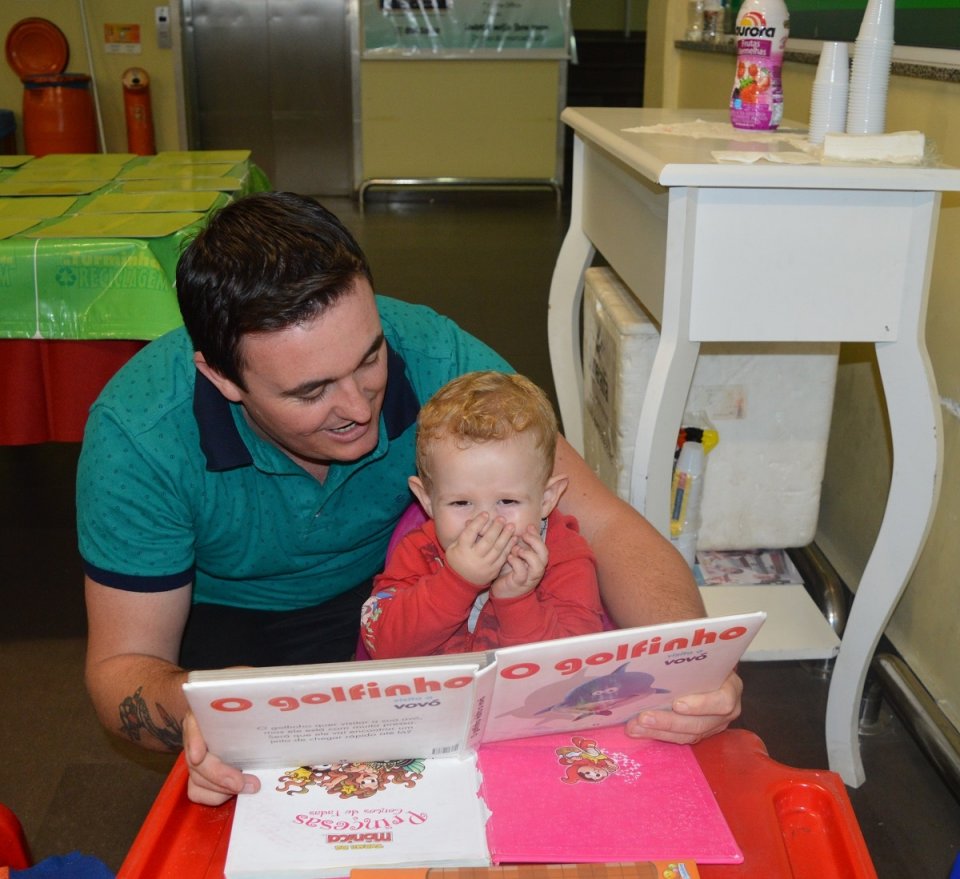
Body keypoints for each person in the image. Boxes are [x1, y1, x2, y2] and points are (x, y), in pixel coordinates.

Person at [76, 191, 742, 808]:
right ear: (221, 377)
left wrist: (691, 666)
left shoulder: (435, 354)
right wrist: (198, 713)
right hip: (233, 627)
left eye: (370, 357)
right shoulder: (139, 438)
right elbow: (121, 666)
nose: (358, 405)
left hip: (408, 592)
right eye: (310, 392)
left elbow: (601, 521)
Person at [361, 371, 605, 658]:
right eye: (461, 503)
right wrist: (455, 581)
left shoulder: (566, 558)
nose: (484, 523)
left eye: (507, 500)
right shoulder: (418, 551)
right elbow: (384, 648)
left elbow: (574, 665)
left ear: (547, 499)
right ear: (427, 500)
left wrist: (517, 600)